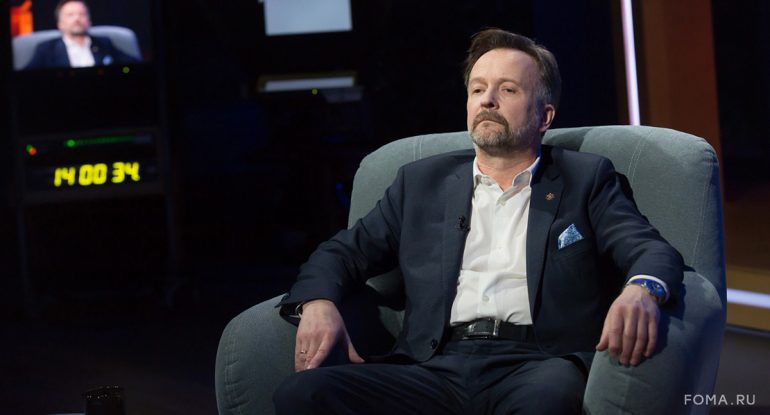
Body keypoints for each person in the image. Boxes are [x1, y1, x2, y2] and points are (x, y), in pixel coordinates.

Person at [273, 28, 683, 414]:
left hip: (537, 363)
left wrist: (641, 290)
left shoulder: (586, 179)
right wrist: (318, 303)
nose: (487, 100)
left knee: (548, 401)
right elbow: (341, 253)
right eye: (477, 89)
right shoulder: (420, 184)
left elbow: (648, 249)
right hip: (432, 366)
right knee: (303, 394)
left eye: (507, 89)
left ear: (544, 116)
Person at [24, 0, 138, 70]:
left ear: (89, 21)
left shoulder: (104, 43)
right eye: (70, 15)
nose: (77, 19)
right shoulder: (46, 49)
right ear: (60, 24)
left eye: (82, 14)